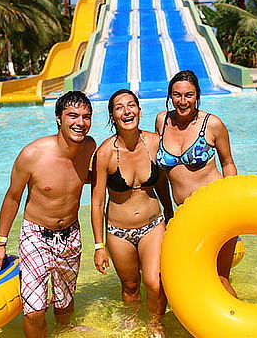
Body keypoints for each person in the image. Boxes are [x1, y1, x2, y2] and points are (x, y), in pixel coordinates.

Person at [0, 91, 96, 338]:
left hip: (71, 234)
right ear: (59, 118)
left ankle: (65, 331)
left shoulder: (88, 146)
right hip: (36, 235)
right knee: (34, 310)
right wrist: (0, 243)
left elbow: (80, 177)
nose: (80, 122)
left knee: (64, 303)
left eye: (86, 116)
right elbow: (13, 197)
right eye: (73, 116)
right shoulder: (32, 155)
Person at [91, 89, 173, 338]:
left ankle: (155, 322)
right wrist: (99, 245)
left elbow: (163, 184)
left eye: (131, 106)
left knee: (154, 281)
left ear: (139, 110)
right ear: (112, 116)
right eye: (119, 107)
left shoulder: (154, 143)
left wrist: (171, 217)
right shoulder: (105, 153)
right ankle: (133, 318)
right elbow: (97, 202)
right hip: (118, 232)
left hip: (152, 224)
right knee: (129, 285)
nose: (126, 111)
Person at [155, 70, 238, 297]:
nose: (183, 101)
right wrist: (167, 209)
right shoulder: (162, 121)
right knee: (189, 280)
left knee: (219, 280)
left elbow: (228, 164)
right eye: (177, 95)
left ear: (197, 95)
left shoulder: (212, 124)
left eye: (189, 95)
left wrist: (233, 202)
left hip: (216, 212)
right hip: (185, 217)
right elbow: (161, 174)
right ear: (170, 96)